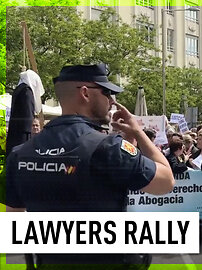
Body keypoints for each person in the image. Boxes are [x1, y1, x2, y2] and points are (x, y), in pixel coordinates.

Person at [5, 64, 175, 268]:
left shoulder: (20, 153)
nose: (112, 101)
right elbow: (166, 182)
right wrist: (138, 132)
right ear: (85, 93)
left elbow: (15, 217)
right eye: (107, 92)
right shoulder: (108, 147)